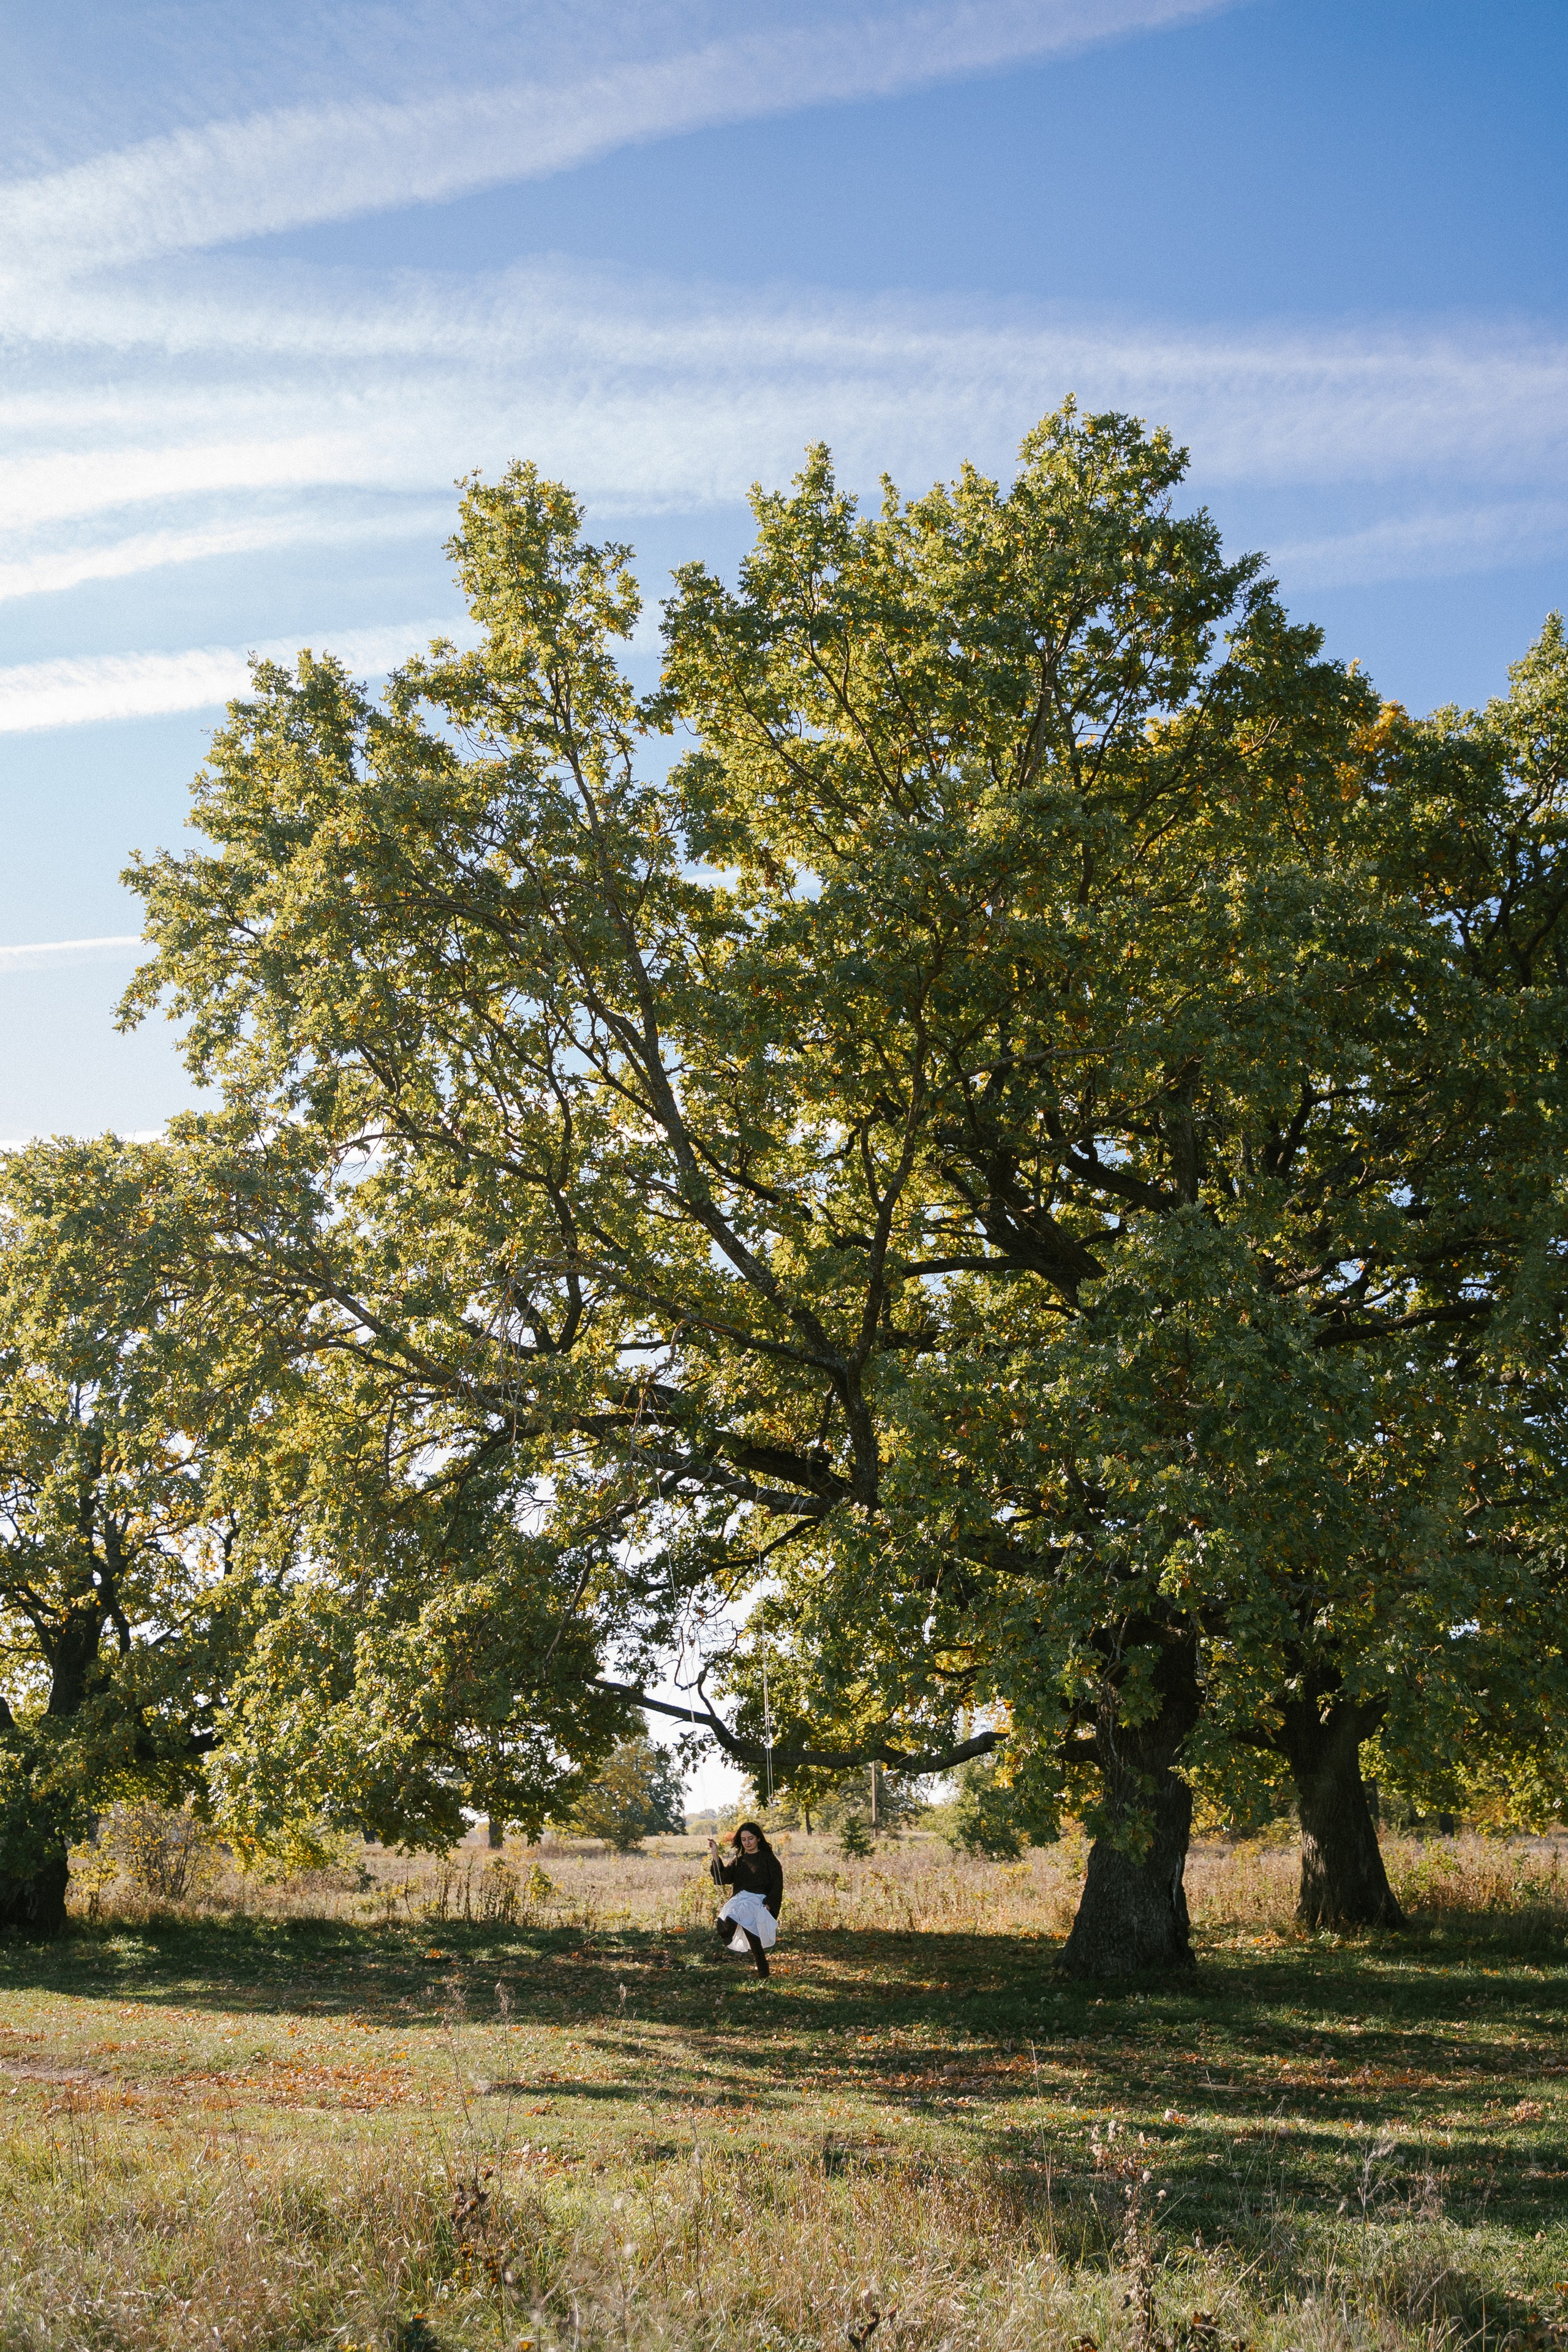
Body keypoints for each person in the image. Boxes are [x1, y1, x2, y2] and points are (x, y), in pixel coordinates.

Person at [707, 1822, 783, 1978]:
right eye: (744, 1840)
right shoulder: (739, 1861)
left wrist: (770, 1904)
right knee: (750, 1935)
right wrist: (715, 1853)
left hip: (759, 1901)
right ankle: (764, 1972)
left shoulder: (769, 1859)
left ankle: (727, 1931)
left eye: (751, 1838)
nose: (747, 1843)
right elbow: (723, 1877)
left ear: (758, 1838)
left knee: (748, 1925)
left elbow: (777, 1884)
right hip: (741, 1899)